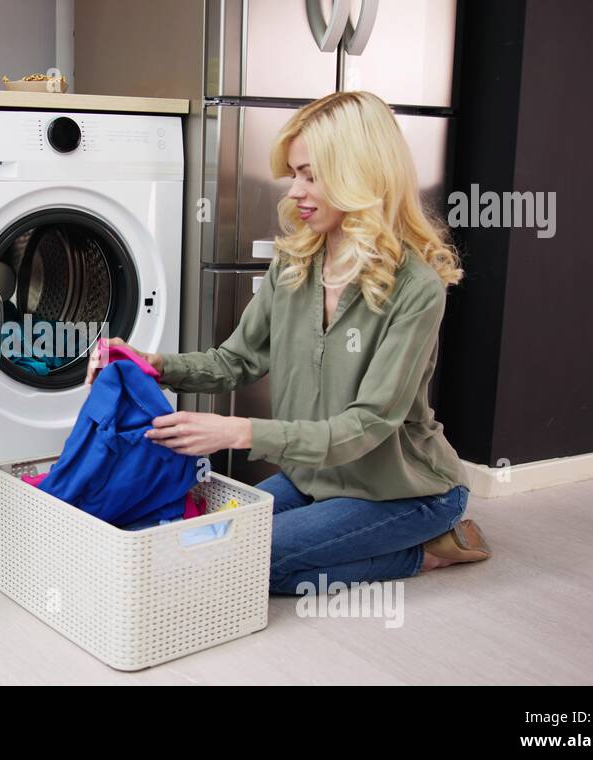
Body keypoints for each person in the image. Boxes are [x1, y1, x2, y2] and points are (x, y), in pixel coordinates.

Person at [85, 91, 491, 595]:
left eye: (311, 175)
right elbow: (234, 361)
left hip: (402, 491)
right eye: (294, 174)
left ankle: (426, 549)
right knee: (209, 545)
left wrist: (237, 432)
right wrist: (152, 363)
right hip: (312, 478)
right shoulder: (295, 264)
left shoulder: (416, 287)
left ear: (361, 175)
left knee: (249, 564)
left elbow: (368, 424)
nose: (294, 190)